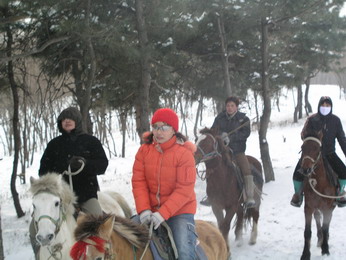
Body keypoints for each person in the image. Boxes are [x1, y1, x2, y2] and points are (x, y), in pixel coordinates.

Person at [30, 107, 108, 258]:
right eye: (63, 119)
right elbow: (43, 171)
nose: (66, 121)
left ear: (77, 121)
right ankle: (40, 254)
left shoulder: (91, 141)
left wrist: (84, 164)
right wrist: (59, 171)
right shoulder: (53, 145)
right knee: (33, 229)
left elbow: (102, 165)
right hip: (59, 197)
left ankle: (101, 255)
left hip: (86, 194)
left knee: (99, 221)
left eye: (70, 118)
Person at [132, 108, 198, 260]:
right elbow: (139, 182)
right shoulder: (144, 151)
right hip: (150, 211)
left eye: (164, 127)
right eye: (155, 127)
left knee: (183, 253)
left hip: (180, 211)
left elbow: (184, 190)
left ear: (174, 130)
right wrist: (144, 210)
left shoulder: (184, 154)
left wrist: (163, 213)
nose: (158, 132)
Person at [290, 96, 346, 208]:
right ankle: (298, 195)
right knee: (297, 174)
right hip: (311, 154)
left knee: (343, 172)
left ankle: (340, 192)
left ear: (331, 107)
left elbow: (341, 138)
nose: (325, 107)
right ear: (319, 106)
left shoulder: (335, 120)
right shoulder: (311, 119)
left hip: (329, 153)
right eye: (323, 105)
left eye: (327, 105)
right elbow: (303, 135)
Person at [200, 96, 255, 208]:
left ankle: (249, 196)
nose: (229, 108)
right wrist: (220, 136)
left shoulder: (243, 119)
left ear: (236, 107)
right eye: (228, 106)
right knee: (210, 167)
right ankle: (210, 196)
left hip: (237, 150)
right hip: (221, 150)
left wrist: (231, 138)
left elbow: (246, 133)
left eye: (232, 106)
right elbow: (213, 131)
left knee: (246, 169)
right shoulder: (219, 118)